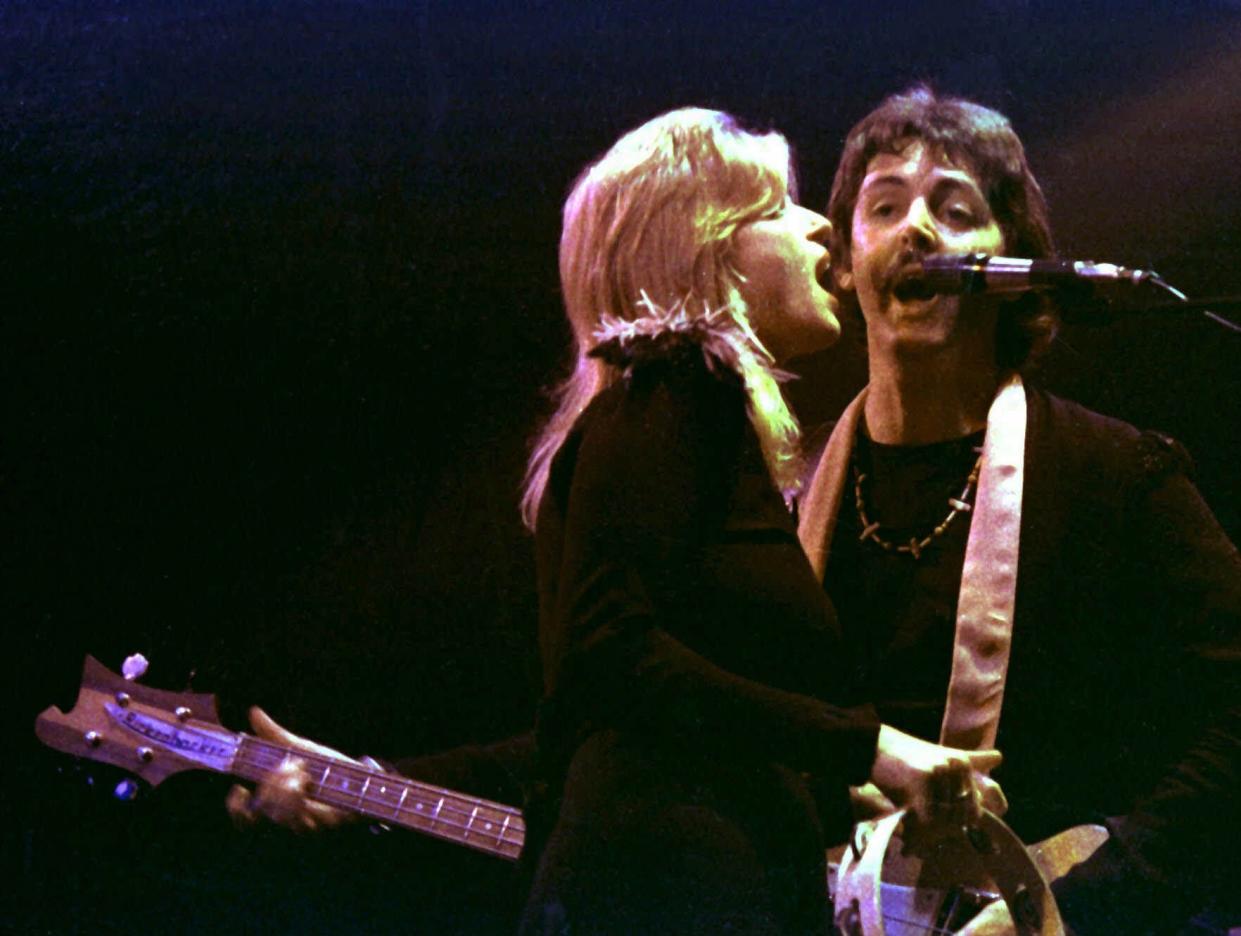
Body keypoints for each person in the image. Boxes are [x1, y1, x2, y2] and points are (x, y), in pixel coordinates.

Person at [229, 107, 1005, 935]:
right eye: (778, 209)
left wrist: (368, 782)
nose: (819, 228)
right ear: (705, 246)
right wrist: (872, 747)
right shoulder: (675, 389)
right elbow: (609, 657)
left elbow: (610, 716)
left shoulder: (667, 422)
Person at [798, 85, 1241, 935]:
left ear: (1014, 262)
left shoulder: (1116, 477)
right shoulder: (786, 488)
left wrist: (1080, 903)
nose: (916, 230)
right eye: (883, 205)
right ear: (845, 262)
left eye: (953, 209)